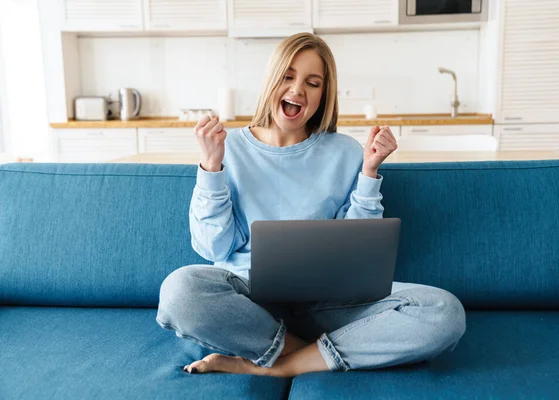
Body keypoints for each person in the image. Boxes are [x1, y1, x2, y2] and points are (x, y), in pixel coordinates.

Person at [156, 32, 466, 377]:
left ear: (324, 94)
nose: (298, 89)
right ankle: (321, 353)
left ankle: (278, 367)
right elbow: (212, 246)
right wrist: (211, 167)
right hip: (249, 302)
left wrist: (368, 172)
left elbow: (359, 254)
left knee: (443, 311)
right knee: (179, 291)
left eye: (312, 82)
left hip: (329, 302)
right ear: (271, 81)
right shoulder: (226, 148)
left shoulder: (346, 152)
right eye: (288, 76)